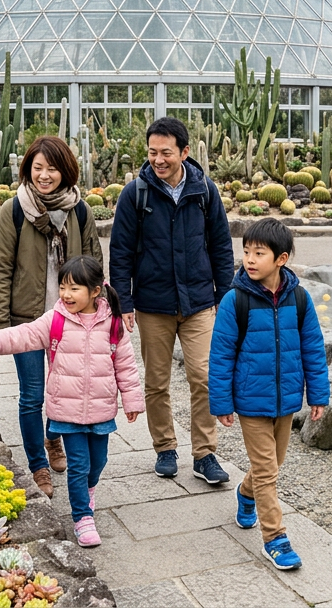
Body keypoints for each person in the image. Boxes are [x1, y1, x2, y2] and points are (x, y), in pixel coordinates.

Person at [0, 255, 143, 548]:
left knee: (97, 463)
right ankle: (82, 518)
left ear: (95, 291)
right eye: (63, 287)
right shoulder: (56, 319)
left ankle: (88, 489)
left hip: (101, 410)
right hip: (67, 409)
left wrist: (133, 400)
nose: (66, 294)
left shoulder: (112, 324)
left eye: (74, 288)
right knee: (78, 464)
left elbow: (125, 364)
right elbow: (24, 335)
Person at [110, 117, 235, 485]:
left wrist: (223, 296)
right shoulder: (136, 193)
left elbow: (221, 246)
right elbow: (120, 252)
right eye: (152, 153)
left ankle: (205, 454)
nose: (158, 160)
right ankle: (165, 447)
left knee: (205, 377)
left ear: (184, 152)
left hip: (199, 302)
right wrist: (125, 301)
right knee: (157, 382)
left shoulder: (205, 191)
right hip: (153, 304)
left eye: (166, 153)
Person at [209, 219, 329, 571]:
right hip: (250, 401)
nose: (249, 259)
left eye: (259, 253)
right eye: (246, 251)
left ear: (282, 259)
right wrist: (222, 402)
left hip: (287, 401)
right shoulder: (235, 301)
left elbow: (313, 349)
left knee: (272, 466)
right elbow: (221, 355)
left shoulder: (300, 298)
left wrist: (318, 395)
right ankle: (275, 539)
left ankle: (246, 494)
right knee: (267, 471)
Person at [0, 136, 102, 497]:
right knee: (32, 395)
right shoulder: (15, 209)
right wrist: (0, 325)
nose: (44, 175)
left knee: (63, 390)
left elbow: (94, 265)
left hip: (70, 319)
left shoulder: (79, 211)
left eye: (51, 168)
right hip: (26, 318)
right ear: (28, 170)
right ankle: (38, 464)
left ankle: (53, 437)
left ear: (65, 170)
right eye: (37, 168)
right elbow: (0, 267)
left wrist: (99, 311)